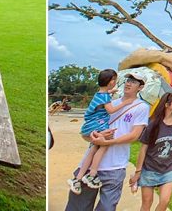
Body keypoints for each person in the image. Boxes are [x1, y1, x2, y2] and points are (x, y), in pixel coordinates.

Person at [64, 74, 150, 211]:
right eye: (128, 80)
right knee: (78, 206)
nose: (128, 84)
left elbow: (134, 135)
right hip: (89, 165)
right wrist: (94, 136)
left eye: (134, 82)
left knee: (107, 207)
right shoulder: (109, 103)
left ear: (140, 87)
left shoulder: (141, 107)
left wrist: (108, 142)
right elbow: (87, 131)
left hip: (115, 166)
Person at [70, 69, 138, 193]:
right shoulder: (105, 97)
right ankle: (92, 174)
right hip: (95, 125)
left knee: (93, 149)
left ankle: (78, 178)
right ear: (111, 82)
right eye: (115, 80)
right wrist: (126, 103)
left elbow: (104, 96)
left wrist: (111, 92)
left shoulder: (100, 93)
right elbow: (111, 110)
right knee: (104, 144)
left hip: (89, 125)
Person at [129, 92, 172, 211]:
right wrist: (138, 171)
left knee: (164, 201)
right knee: (147, 204)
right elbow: (143, 149)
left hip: (167, 169)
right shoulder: (153, 124)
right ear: (167, 104)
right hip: (150, 169)